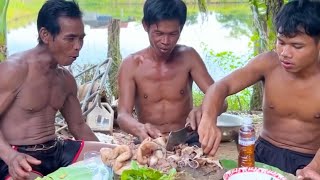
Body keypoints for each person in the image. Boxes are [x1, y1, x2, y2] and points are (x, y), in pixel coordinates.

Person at [197, 0, 320, 176]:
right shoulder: (268, 63)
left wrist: (315, 167)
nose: (285, 53)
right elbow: (221, 86)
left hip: (310, 159)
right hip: (263, 152)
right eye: (281, 42)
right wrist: (208, 119)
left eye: (296, 46)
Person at [0, 0, 114, 179]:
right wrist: (10, 156)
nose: (78, 46)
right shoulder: (15, 70)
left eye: (81, 38)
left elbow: (78, 126)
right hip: (19, 156)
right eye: (70, 38)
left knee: (122, 158)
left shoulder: (65, 79)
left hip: (57, 150)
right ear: (45, 35)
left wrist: (107, 158)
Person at [117, 0, 227, 143]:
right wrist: (139, 128)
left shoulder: (189, 57)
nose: (166, 41)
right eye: (159, 33)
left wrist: (204, 110)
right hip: (149, 140)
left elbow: (222, 101)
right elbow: (122, 115)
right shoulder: (131, 65)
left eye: (173, 34)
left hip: (187, 138)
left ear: (181, 28)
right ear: (145, 25)